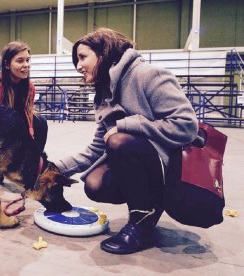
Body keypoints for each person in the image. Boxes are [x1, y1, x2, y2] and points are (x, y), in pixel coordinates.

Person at [55, 28, 198, 254]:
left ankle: (142, 225)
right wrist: (52, 169)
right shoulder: (104, 93)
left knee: (119, 141)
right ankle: (149, 207)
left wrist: (128, 124)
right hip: (142, 162)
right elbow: (97, 148)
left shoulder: (147, 74)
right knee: (94, 183)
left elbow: (187, 126)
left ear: (104, 53)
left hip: (171, 168)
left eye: (83, 57)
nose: (78, 66)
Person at [0, 41, 48, 184]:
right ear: (7, 64)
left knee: (40, 123)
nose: (26, 65)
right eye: (20, 61)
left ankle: (31, 166)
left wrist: (31, 136)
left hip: (18, 122)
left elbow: (28, 113)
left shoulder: (30, 87)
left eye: (27, 60)